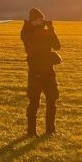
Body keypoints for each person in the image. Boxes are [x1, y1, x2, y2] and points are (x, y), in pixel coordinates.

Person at [20, 7, 62, 137]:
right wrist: (44, 31)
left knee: (52, 99)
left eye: (42, 19)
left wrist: (51, 30)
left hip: (49, 71)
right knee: (34, 101)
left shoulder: (45, 31)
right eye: (38, 20)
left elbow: (57, 46)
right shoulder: (26, 31)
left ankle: (50, 130)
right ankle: (31, 132)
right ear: (32, 21)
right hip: (35, 72)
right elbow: (34, 45)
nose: (41, 22)